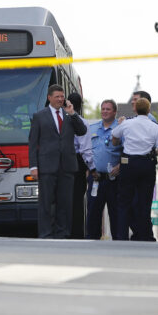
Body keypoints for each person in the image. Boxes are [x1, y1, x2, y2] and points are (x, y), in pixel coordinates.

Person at [28, 85, 88, 238]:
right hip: (46, 167)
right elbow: (33, 143)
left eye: (62, 97)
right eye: (57, 97)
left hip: (67, 166)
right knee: (46, 204)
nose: (61, 99)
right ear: (49, 98)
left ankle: (63, 234)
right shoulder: (39, 116)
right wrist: (33, 166)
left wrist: (73, 113)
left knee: (65, 203)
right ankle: (46, 234)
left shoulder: (69, 115)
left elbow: (82, 131)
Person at [112, 97, 158, 241]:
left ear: (135, 109)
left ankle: (121, 235)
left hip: (128, 163)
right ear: (149, 110)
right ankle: (144, 235)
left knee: (124, 202)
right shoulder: (156, 127)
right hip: (146, 164)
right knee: (145, 202)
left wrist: (118, 141)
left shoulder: (127, 124)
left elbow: (114, 137)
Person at [86, 99, 123, 239]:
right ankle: (91, 243)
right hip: (96, 178)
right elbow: (86, 150)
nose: (105, 111)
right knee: (93, 214)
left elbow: (127, 151)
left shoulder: (120, 128)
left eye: (108, 109)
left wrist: (120, 166)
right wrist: (89, 168)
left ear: (115, 112)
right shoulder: (92, 128)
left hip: (114, 180)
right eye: (103, 109)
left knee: (116, 215)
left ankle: (118, 244)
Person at [69, 92, 93, 239]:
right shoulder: (82, 123)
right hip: (78, 163)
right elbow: (85, 149)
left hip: (63, 162)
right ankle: (76, 233)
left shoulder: (62, 121)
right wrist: (92, 167)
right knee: (77, 201)